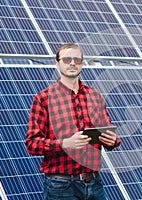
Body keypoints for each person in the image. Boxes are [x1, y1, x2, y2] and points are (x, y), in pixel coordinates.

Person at [25, 43, 120, 200]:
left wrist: (112, 140)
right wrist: (65, 144)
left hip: (94, 183)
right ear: (57, 63)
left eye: (77, 59)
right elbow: (32, 143)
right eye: (67, 59)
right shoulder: (43, 99)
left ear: (82, 64)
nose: (72, 63)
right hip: (60, 186)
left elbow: (109, 133)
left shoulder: (94, 96)